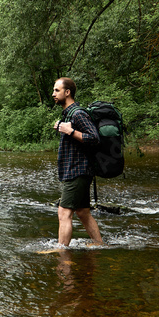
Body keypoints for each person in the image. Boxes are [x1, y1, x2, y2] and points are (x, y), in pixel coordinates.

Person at [52, 77, 103, 247]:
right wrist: (64, 127)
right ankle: (99, 244)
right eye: (53, 90)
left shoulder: (78, 113)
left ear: (67, 93)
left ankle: (62, 252)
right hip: (75, 171)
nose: (53, 94)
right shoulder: (68, 114)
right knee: (82, 212)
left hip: (78, 171)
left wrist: (71, 130)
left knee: (64, 212)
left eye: (57, 90)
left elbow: (94, 138)